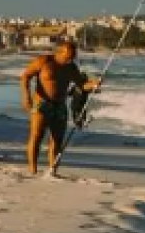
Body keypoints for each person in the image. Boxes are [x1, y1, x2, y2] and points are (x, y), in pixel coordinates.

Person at [19, 39, 101, 175]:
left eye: (73, 56)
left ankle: (52, 170)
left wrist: (94, 84)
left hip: (60, 105)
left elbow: (81, 84)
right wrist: (26, 96)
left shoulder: (71, 67)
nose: (71, 59)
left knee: (57, 140)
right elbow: (25, 77)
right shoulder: (43, 61)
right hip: (41, 103)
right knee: (36, 135)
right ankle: (32, 169)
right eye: (69, 56)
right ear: (60, 52)